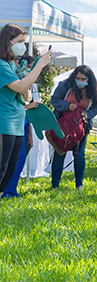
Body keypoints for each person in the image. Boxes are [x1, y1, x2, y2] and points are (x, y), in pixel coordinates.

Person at [0, 24, 51, 194]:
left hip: (17, 123)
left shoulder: (12, 65)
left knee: (9, 171)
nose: (23, 45)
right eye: (20, 41)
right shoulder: (1, 65)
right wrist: (39, 66)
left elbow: (25, 94)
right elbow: (21, 87)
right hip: (4, 124)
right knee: (1, 169)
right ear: (7, 42)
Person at [50, 65, 97, 190]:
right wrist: (67, 106)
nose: (80, 81)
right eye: (78, 78)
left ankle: (79, 185)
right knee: (59, 152)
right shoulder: (64, 85)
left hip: (81, 127)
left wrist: (88, 114)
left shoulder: (94, 90)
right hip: (62, 125)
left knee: (79, 154)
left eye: (83, 79)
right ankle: (55, 185)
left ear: (89, 79)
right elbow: (54, 100)